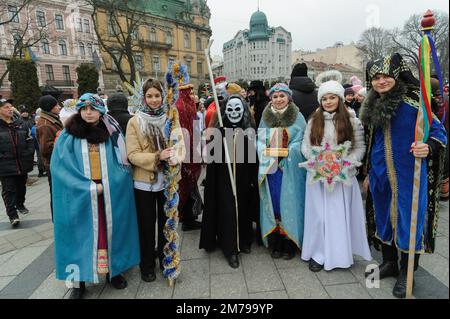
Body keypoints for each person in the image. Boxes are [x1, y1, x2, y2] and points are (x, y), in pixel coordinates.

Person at [361, 53, 447, 298]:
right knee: (384, 218)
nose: (381, 82)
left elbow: (440, 134)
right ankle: (389, 262)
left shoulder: (416, 102)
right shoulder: (371, 104)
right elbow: (371, 142)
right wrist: (368, 172)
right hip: (379, 174)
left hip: (410, 176)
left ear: (396, 75)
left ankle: (406, 272)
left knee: (409, 222)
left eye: (386, 76)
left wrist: (428, 145)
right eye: (376, 78)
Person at [51, 93, 140, 299]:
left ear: (101, 110)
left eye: (93, 109)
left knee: (111, 232)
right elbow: (61, 169)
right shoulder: (68, 135)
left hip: (110, 193)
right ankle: (78, 281)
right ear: (79, 111)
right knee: (79, 236)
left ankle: (114, 271)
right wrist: (87, 188)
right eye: (84, 109)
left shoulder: (112, 133)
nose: (88, 113)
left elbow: (122, 164)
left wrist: (110, 185)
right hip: (80, 196)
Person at [301, 78, 372, 272]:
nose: (328, 102)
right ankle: (318, 252)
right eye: (325, 98)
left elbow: (359, 147)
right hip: (318, 176)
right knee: (319, 217)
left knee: (337, 216)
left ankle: (339, 253)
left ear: (340, 99)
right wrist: (319, 162)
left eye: (332, 97)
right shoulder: (313, 120)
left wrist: (345, 165)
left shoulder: (352, 120)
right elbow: (306, 146)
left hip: (341, 178)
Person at [126, 78, 185, 283]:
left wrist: (177, 156)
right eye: (149, 96)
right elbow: (132, 154)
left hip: (167, 182)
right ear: (143, 98)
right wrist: (157, 156)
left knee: (166, 225)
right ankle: (147, 265)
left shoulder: (170, 118)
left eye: (157, 96)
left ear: (162, 97)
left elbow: (179, 144)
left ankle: (165, 258)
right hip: (144, 183)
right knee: (146, 226)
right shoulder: (135, 121)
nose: (153, 100)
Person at [200, 94, 257, 268]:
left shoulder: (248, 130)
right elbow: (211, 159)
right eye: (229, 109)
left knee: (244, 205)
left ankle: (244, 240)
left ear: (244, 111)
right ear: (224, 112)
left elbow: (253, 157)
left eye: (237, 109)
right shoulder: (219, 133)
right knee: (228, 209)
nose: (233, 113)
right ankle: (230, 248)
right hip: (223, 180)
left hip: (243, 178)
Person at [257, 83, 307, 260]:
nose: (278, 99)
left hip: (288, 168)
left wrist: (288, 152)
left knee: (290, 200)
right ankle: (276, 238)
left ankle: (290, 241)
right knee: (274, 202)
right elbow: (260, 140)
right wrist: (264, 150)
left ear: (289, 97)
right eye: (275, 96)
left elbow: (301, 140)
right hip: (271, 169)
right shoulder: (265, 117)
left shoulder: (298, 117)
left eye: (282, 96)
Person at [0, 99, 34, 226]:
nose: (10, 109)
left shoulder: (20, 123)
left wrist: (29, 151)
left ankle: (20, 204)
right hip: (5, 165)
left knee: (21, 187)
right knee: (9, 190)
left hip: (22, 162)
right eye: (6, 107)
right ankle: (12, 215)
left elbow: (30, 138)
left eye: (10, 106)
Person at [36, 95, 63, 219]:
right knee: (56, 193)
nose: (59, 107)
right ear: (50, 107)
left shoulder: (52, 119)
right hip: (53, 164)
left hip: (57, 163)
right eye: (56, 105)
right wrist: (63, 144)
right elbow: (46, 149)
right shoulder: (46, 124)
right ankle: (56, 219)